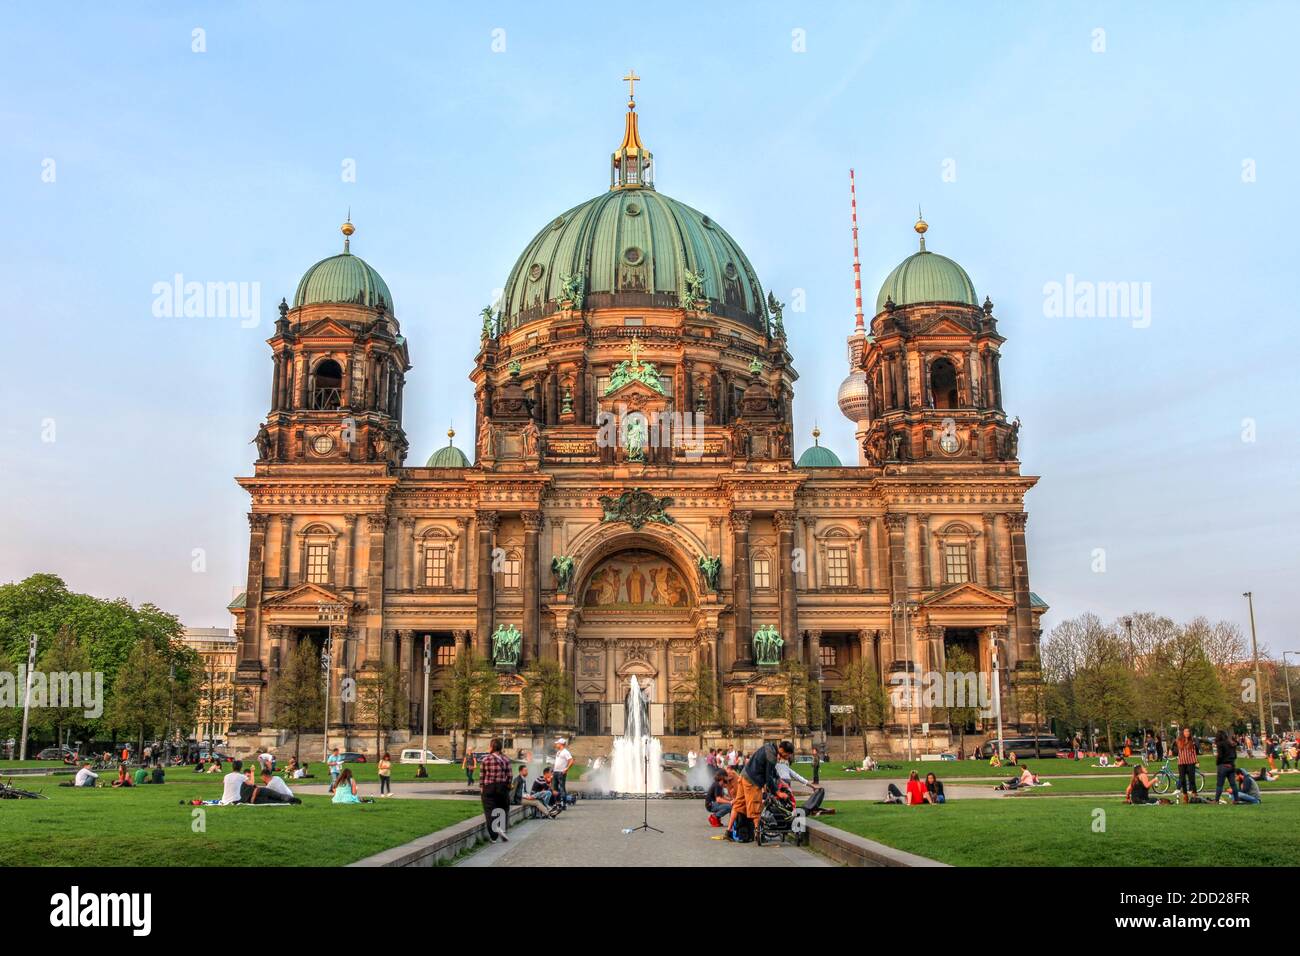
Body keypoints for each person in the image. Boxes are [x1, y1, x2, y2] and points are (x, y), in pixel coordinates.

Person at [733, 740, 795, 838]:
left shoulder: (769, 747)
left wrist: (779, 780)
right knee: (756, 808)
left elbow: (771, 769)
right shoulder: (772, 756)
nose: (788, 757)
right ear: (782, 750)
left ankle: (732, 832)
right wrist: (778, 792)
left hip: (744, 775)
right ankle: (758, 835)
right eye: (787, 754)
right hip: (752, 780)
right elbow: (769, 777)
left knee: (740, 804)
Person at [479, 737, 512, 841]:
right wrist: (507, 786)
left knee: (489, 810)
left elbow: (482, 775)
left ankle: (493, 835)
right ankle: (502, 828)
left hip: (489, 787)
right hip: (502, 787)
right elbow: (510, 776)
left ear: (491, 747)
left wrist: (481, 787)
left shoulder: (485, 759)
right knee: (503, 808)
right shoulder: (506, 759)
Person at [1212, 730, 1240, 804]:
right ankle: (1236, 799)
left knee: (1220, 784)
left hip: (1223, 766)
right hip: (1231, 765)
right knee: (1233, 784)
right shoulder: (1231, 744)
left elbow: (1220, 756)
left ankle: (1216, 800)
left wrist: (1217, 762)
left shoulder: (1220, 744)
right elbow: (1235, 756)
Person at [1175, 726, 1199, 803]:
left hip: (1190, 762)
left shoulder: (1192, 741)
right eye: (1185, 731)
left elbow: (1194, 752)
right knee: (1182, 780)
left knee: (1192, 779)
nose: (1187, 733)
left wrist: (1196, 762)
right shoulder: (1179, 740)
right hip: (1181, 762)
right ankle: (1185, 795)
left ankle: (1194, 793)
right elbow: (1174, 750)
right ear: (1183, 733)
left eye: (1188, 732)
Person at [552, 738, 573, 811]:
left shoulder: (565, 752)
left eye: (557, 743)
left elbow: (571, 760)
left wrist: (566, 768)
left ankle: (564, 804)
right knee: (555, 788)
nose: (556, 744)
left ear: (561, 744)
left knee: (562, 788)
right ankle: (557, 803)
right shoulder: (558, 752)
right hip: (555, 771)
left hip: (561, 772)